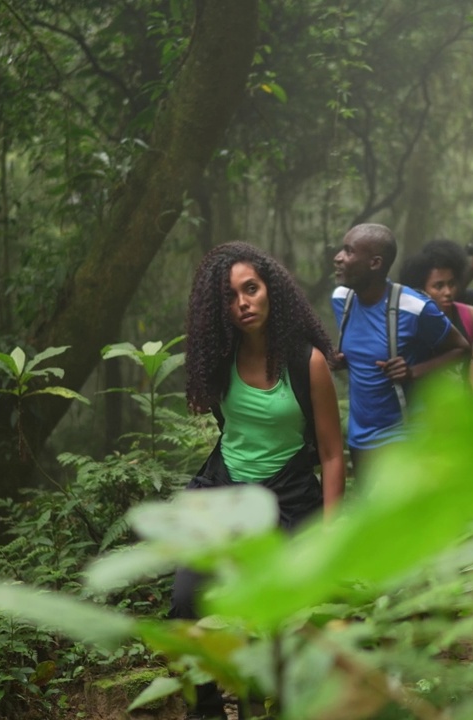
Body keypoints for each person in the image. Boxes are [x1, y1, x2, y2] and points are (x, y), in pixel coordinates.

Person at [174, 242, 345, 719]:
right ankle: (205, 708)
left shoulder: (305, 362)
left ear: (272, 290)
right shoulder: (219, 358)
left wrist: (330, 530)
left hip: (290, 498)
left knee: (280, 619)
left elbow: (332, 454)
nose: (243, 302)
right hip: (224, 492)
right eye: (230, 296)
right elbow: (229, 425)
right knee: (187, 599)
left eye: (251, 289)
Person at [331, 223, 469, 476]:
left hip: (404, 435)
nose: (338, 257)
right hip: (359, 437)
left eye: (349, 252)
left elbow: (461, 349)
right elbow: (365, 349)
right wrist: (343, 359)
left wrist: (413, 372)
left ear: (375, 263)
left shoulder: (414, 308)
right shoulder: (342, 299)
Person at [398, 239, 473, 389]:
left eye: (451, 284)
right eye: (439, 286)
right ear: (421, 289)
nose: (448, 292)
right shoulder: (408, 320)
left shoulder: (470, 316)